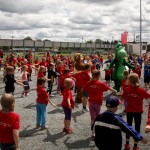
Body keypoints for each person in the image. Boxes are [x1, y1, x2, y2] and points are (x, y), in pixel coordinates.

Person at [82, 70, 117, 138]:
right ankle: (97, 132)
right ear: (98, 76)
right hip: (97, 103)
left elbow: (84, 89)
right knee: (97, 118)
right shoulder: (100, 83)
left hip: (91, 102)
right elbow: (108, 88)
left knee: (92, 118)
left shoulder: (89, 83)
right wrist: (114, 90)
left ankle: (93, 133)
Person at [121, 73, 150, 150]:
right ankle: (135, 146)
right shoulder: (141, 90)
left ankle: (127, 144)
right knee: (137, 128)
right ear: (138, 80)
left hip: (129, 111)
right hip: (138, 112)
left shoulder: (127, 89)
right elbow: (148, 96)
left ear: (129, 81)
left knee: (128, 127)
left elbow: (122, 97)